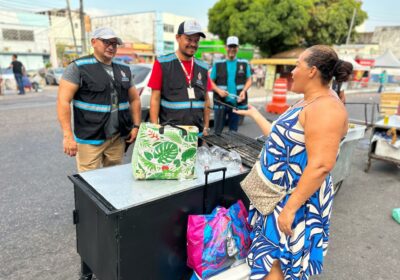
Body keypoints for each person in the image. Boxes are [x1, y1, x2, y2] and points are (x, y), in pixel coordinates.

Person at [234, 45, 352, 280]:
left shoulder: (326, 107)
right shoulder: (307, 101)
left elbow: (321, 165)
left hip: (295, 203)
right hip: (275, 199)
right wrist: (255, 115)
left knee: (277, 266)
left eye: (297, 65)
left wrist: (289, 210)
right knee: (269, 263)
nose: (291, 71)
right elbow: (283, 140)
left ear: (312, 71)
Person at [57, 27, 141, 172]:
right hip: (90, 138)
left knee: (114, 178)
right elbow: (63, 101)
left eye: (114, 43)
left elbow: (134, 99)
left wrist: (136, 126)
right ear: (93, 42)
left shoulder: (124, 69)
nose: (111, 46)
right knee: (90, 183)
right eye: (106, 42)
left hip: (117, 137)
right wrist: (68, 136)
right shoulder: (78, 67)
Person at [148, 20, 211, 136]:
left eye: (196, 40)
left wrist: (206, 126)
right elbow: (155, 98)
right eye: (189, 39)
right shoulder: (162, 63)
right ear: (178, 38)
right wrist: (155, 128)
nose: (193, 44)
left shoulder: (203, 67)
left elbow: (206, 99)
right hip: (171, 135)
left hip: (197, 134)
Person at [210, 36, 252, 134]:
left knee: (233, 132)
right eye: (230, 46)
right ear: (226, 47)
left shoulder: (244, 63)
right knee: (218, 131)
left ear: (237, 48)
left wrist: (244, 91)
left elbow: (249, 80)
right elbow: (210, 82)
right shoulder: (218, 64)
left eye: (234, 47)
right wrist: (219, 91)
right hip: (221, 103)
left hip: (236, 103)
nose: (232, 49)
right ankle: (217, 148)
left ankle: (231, 149)